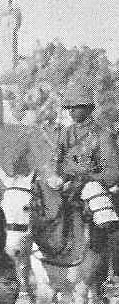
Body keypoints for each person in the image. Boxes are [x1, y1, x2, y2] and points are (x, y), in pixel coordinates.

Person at [44, 82, 119, 234]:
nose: (71, 111)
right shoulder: (65, 133)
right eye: (69, 108)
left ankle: (104, 248)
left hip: (92, 185)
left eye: (76, 107)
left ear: (89, 108)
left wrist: (87, 178)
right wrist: (55, 175)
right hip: (65, 183)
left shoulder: (102, 135)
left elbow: (113, 172)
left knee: (98, 202)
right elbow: (54, 160)